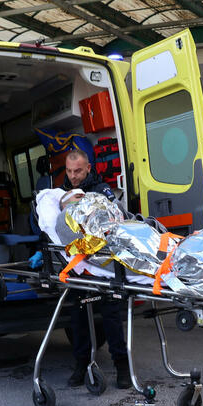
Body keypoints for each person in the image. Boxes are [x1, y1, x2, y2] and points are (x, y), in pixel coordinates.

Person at [60, 149, 130, 389]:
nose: (73, 176)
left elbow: (117, 220)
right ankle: (81, 366)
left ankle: (122, 367)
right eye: (69, 171)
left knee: (111, 317)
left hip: (103, 264)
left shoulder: (102, 191)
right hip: (79, 266)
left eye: (78, 171)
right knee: (77, 317)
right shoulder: (64, 194)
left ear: (88, 168)